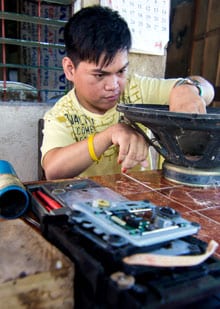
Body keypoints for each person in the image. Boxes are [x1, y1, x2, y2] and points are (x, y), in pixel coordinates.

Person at [41, 5, 214, 180]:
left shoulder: (136, 89)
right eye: (100, 75)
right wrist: (109, 135)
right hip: (88, 203)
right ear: (70, 69)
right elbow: (53, 170)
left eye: (121, 71)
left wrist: (188, 88)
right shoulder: (63, 115)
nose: (113, 85)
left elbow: (208, 90)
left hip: (140, 199)